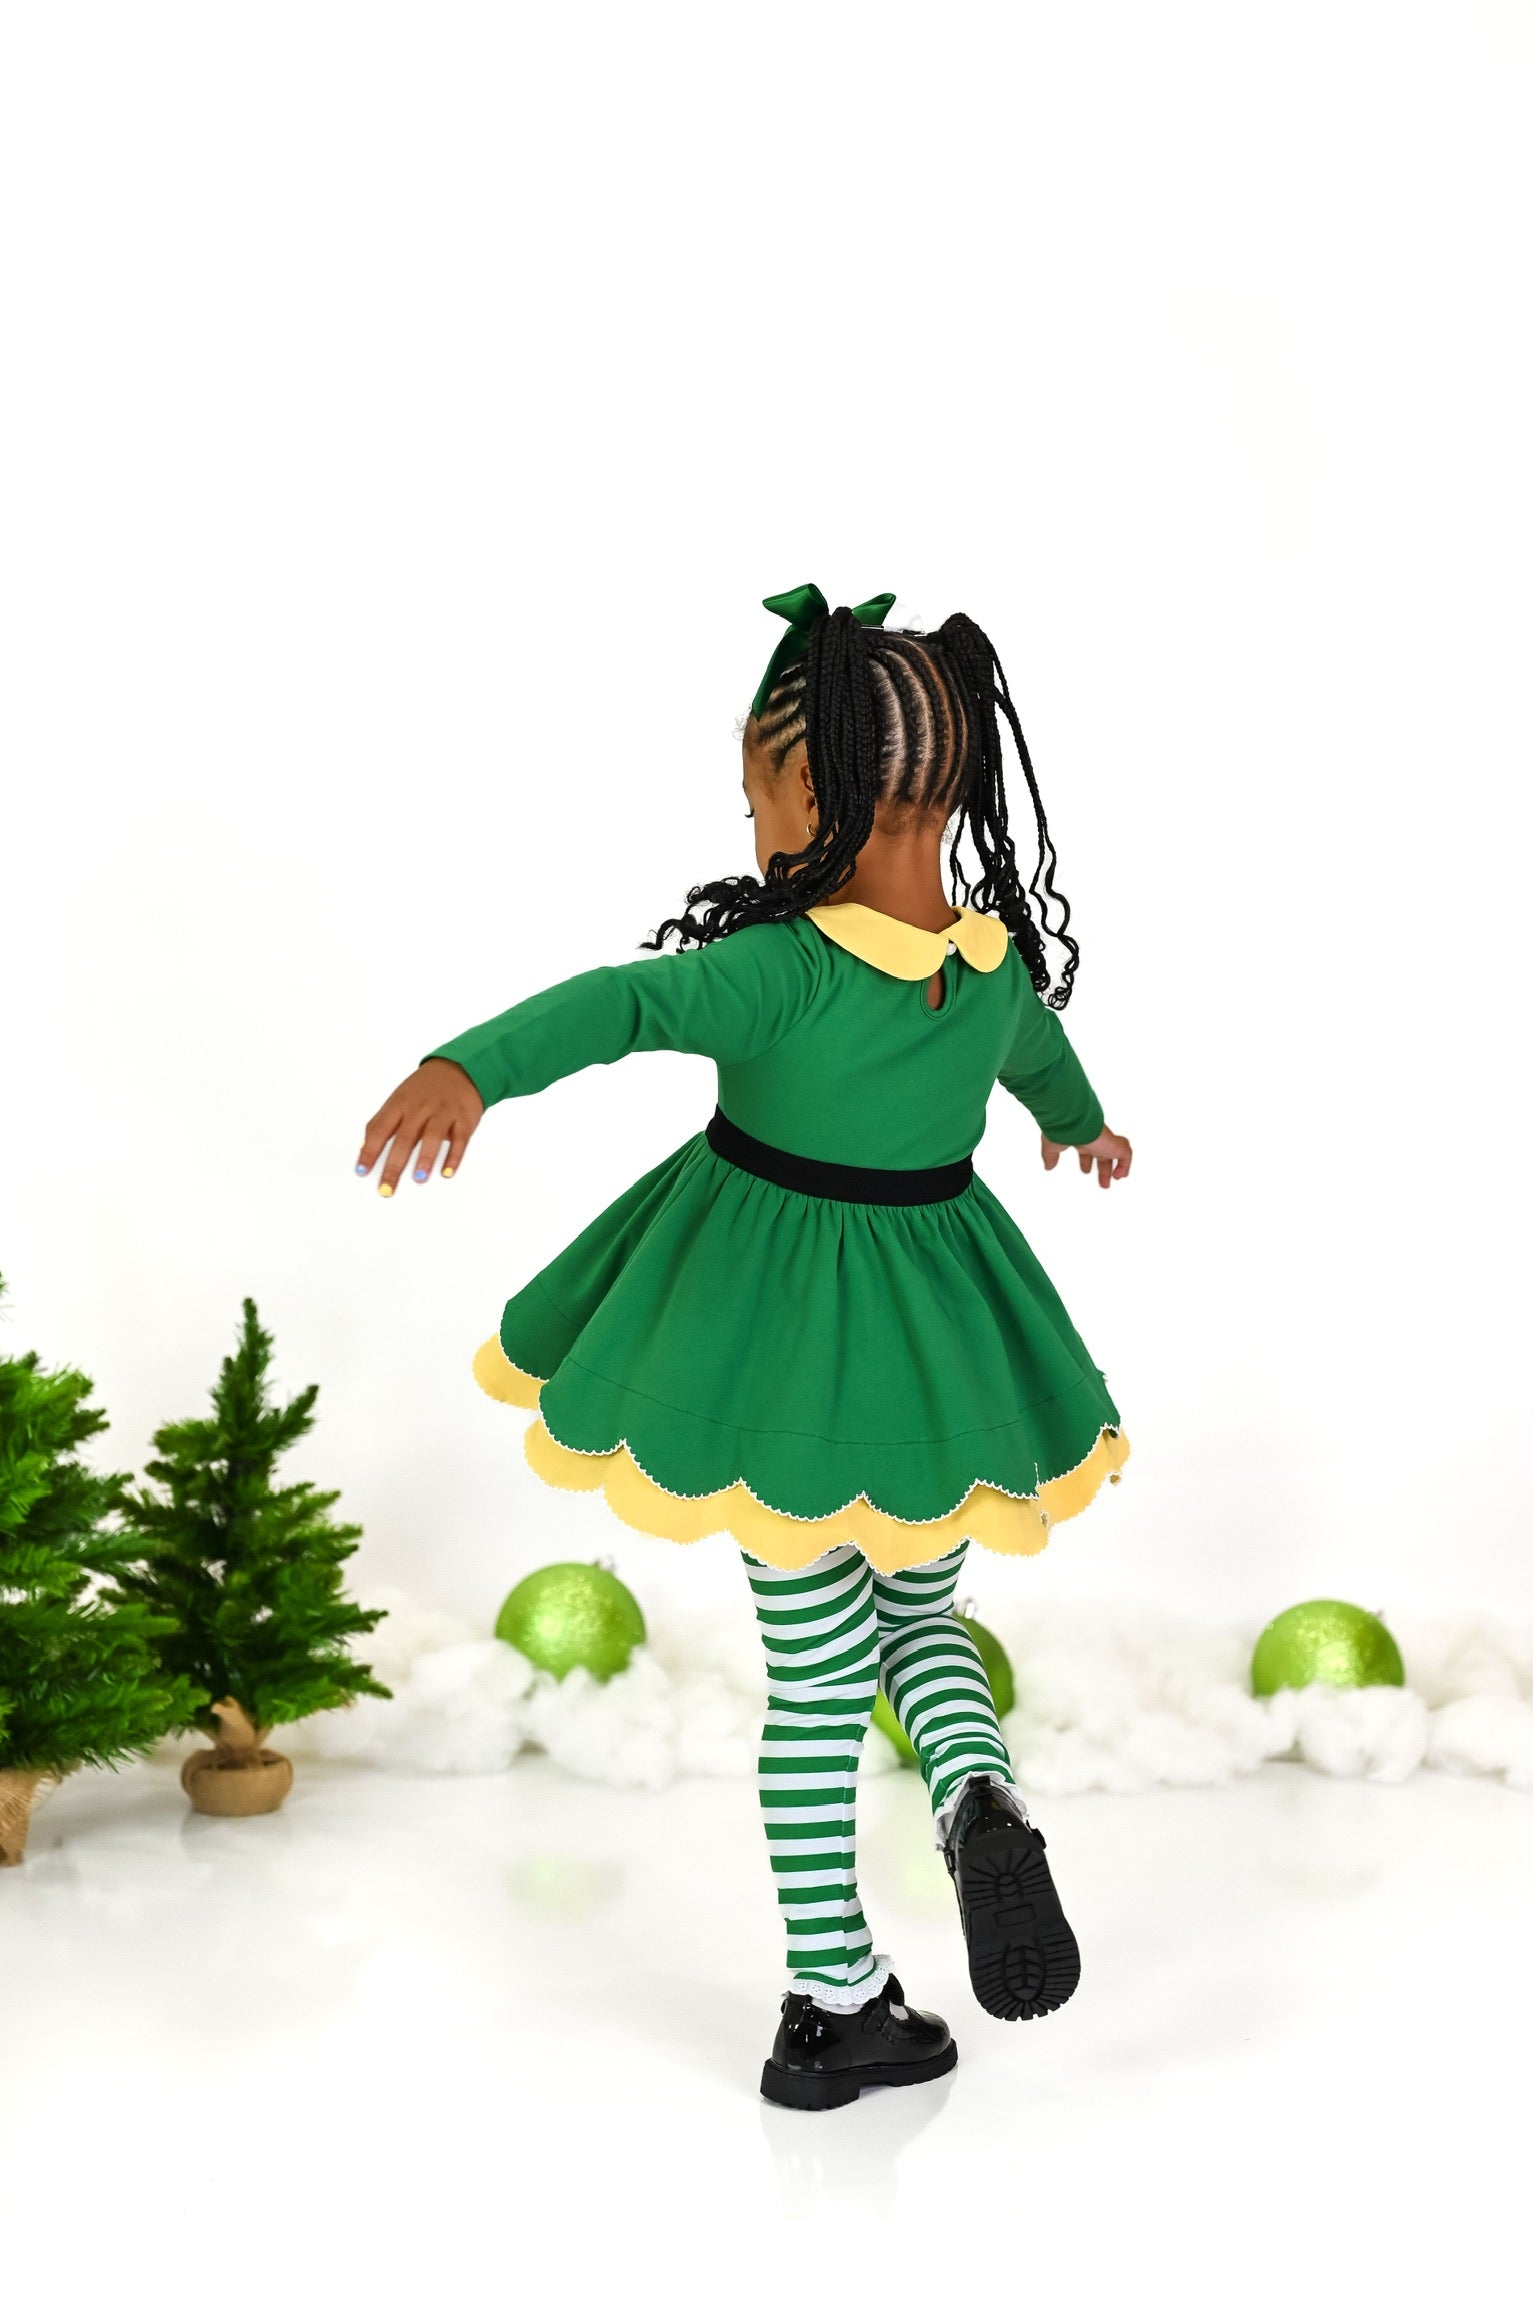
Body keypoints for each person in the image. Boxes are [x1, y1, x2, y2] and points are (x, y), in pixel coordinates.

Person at [357, 585, 1132, 2110]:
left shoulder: (783, 968)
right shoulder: (987, 972)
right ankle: (976, 1795)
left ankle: (834, 2001)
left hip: (776, 1360)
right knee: (924, 1617)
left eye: (759, 796)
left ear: (816, 801)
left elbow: (622, 1004)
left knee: (815, 1680)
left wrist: (469, 1069)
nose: (757, 829)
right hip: (940, 1354)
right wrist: (1083, 1128)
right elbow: (1044, 1059)